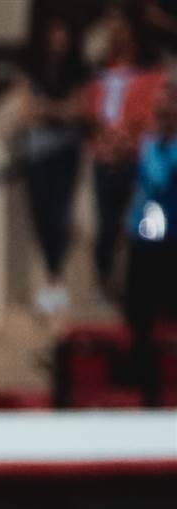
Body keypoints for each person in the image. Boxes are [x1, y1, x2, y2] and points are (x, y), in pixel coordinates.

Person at [21, 17, 90, 316]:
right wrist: (58, 109)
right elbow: (27, 110)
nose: (57, 40)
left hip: (65, 150)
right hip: (37, 152)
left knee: (60, 213)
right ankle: (50, 276)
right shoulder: (33, 71)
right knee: (41, 215)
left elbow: (79, 109)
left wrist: (48, 108)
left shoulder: (79, 71)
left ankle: (56, 278)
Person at [87, 11, 160, 290]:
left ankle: (134, 280)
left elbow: (149, 115)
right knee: (106, 224)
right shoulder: (100, 77)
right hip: (105, 158)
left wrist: (128, 140)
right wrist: (106, 140)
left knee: (137, 224)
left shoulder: (146, 76)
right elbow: (91, 115)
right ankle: (105, 277)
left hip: (133, 156)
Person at [124, 76, 177, 404]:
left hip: (172, 243)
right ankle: (147, 391)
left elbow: (161, 181)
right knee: (140, 318)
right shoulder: (147, 145)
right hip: (145, 242)